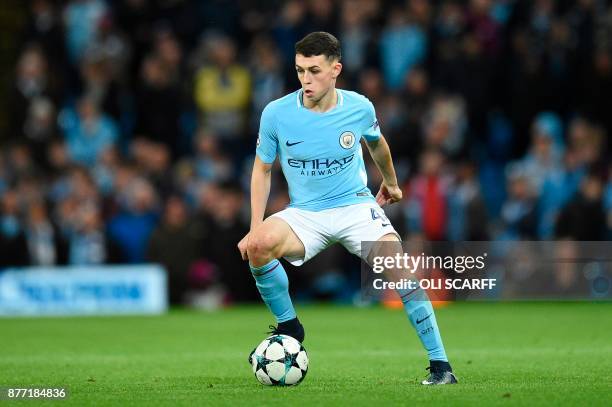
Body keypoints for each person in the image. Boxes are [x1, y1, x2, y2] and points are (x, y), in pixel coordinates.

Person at [238, 32, 456, 385]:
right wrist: (253, 226)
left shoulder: (359, 107)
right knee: (258, 247)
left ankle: (441, 365)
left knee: (400, 271)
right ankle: (290, 325)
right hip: (305, 213)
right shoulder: (276, 113)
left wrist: (392, 182)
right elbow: (262, 169)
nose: (306, 80)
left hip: (355, 207)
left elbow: (377, 143)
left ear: (335, 69)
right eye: (299, 71)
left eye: (314, 71)